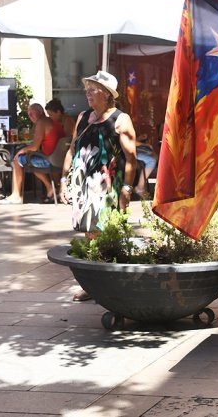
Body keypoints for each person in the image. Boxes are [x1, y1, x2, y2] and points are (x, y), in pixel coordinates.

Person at [59, 70, 137, 301]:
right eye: (87, 89)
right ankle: (95, 285)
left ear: (106, 94)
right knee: (90, 232)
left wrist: (127, 189)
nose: (88, 93)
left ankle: (114, 282)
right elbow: (72, 149)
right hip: (84, 186)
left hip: (109, 186)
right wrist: (64, 180)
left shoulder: (120, 119)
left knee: (108, 232)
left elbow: (131, 158)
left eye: (93, 89)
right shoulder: (83, 117)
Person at [0, 103, 64, 204]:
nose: (30, 116)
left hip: (48, 160)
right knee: (30, 160)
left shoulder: (42, 122)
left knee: (17, 159)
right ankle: (50, 188)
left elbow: (34, 147)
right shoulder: (52, 121)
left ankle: (16, 195)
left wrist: (20, 151)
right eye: (28, 114)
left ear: (40, 112)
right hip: (58, 160)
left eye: (32, 113)